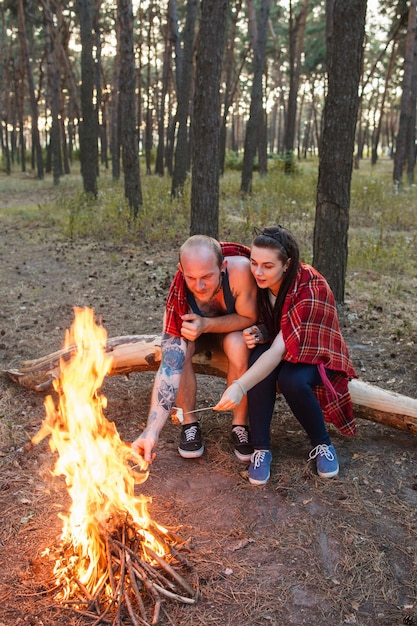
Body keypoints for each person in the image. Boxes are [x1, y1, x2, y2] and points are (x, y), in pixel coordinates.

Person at [214, 225, 357, 486]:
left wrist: (238, 386)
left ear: (287, 264)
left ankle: (323, 444)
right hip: (283, 342)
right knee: (256, 361)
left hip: (315, 352)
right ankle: (261, 448)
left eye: (267, 266)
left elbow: (282, 347)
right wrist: (261, 331)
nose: (258, 271)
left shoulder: (310, 288)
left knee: (292, 379)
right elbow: (277, 327)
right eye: (254, 263)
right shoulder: (259, 280)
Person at [133, 235, 258, 464]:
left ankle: (240, 425)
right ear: (181, 270)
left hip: (231, 330)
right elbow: (171, 364)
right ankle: (189, 423)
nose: (199, 286)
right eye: (191, 277)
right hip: (196, 336)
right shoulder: (179, 296)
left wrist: (207, 324)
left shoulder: (240, 272)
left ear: (223, 266)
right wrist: (152, 430)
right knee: (181, 351)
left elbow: (249, 317)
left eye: (207, 277)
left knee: (239, 345)